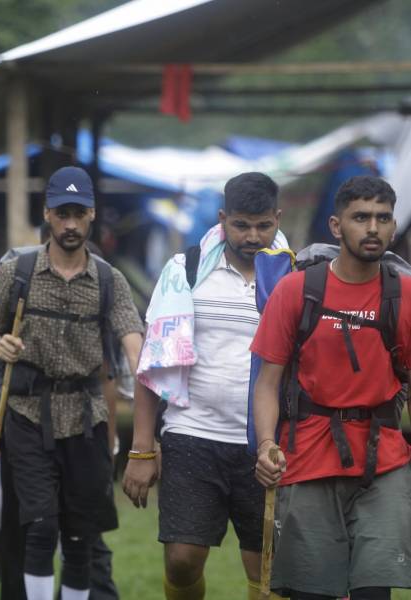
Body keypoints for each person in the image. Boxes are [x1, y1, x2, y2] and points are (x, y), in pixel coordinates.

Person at [0, 166, 144, 600]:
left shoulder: (109, 280)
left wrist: (144, 368)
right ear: (47, 214)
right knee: (39, 526)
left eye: (79, 214)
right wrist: (0, 346)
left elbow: (132, 340)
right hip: (27, 414)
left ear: (92, 215)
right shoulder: (19, 270)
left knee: (79, 533)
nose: (71, 225)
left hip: (87, 417)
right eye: (62, 214)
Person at [123, 172, 285, 600]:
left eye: (263, 225)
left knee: (266, 570)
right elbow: (153, 360)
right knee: (181, 561)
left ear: (278, 218)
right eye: (241, 225)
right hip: (192, 435)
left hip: (265, 446)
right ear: (222, 218)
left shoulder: (294, 277)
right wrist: (141, 448)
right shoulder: (186, 270)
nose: (252, 236)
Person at [253, 175, 411, 600]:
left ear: (394, 227)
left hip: (385, 463)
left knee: (373, 591)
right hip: (307, 457)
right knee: (311, 592)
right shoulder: (296, 292)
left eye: (383, 218)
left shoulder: (405, 294)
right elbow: (267, 383)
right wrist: (266, 444)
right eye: (361, 217)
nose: (373, 228)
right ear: (337, 226)